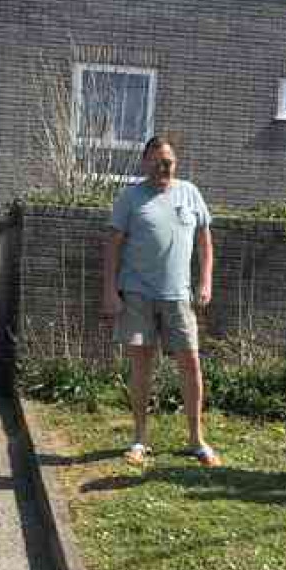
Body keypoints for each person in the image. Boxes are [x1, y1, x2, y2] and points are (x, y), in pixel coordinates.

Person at [101, 135, 220, 467]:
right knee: (142, 364)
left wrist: (206, 281)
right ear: (144, 163)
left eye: (167, 162)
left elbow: (205, 242)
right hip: (137, 292)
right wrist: (110, 292)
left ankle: (197, 439)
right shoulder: (131, 197)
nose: (162, 168)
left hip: (178, 294)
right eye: (155, 162)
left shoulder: (190, 193)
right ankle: (139, 439)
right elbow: (112, 246)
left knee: (191, 363)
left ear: (175, 163)